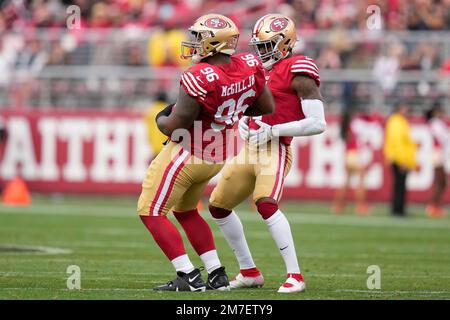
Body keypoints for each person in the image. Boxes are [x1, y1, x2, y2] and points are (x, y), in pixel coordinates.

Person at [137, 14, 274, 292]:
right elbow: (265, 106)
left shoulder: (199, 75)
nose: (194, 43)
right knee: (185, 211)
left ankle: (187, 274)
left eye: (199, 37)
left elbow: (175, 127)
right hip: (217, 154)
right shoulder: (248, 65)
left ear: (214, 42)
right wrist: (232, 105)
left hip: (189, 151)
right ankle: (216, 272)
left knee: (150, 211)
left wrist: (161, 118)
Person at [208, 14, 326, 293]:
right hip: (249, 148)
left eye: (267, 46)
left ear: (285, 44)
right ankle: (249, 271)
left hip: (275, 148)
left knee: (265, 203)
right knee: (218, 206)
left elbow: (318, 123)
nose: (261, 52)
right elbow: (245, 105)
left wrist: (273, 131)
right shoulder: (258, 71)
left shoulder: (298, 68)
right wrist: (243, 122)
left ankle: (295, 275)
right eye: (258, 46)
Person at [333, 109, 378, 215]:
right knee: (361, 182)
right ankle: (360, 207)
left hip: (347, 156)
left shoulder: (345, 128)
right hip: (354, 156)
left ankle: (338, 206)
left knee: (346, 182)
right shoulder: (354, 125)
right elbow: (368, 123)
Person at [383, 101, 417, 217]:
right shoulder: (397, 122)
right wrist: (403, 161)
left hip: (400, 158)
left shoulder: (399, 121)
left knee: (400, 185)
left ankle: (399, 209)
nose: (406, 111)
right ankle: (398, 210)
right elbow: (397, 143)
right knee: (399, 185)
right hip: (399, 159)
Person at [425, 102, 448, 217]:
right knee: (440, 182)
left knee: (441, 182)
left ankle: (435, 206)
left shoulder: (436, 123)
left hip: (439, 153)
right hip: (437, 154)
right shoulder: (435, 123)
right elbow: (445, 137)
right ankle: (433, 206)